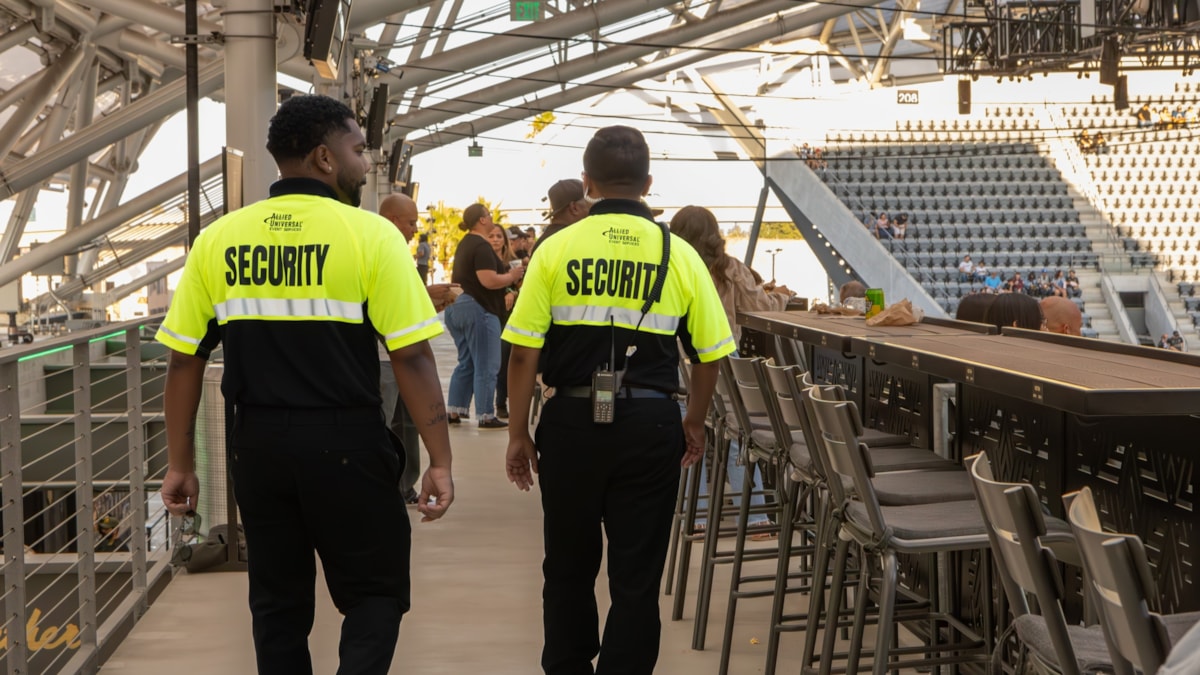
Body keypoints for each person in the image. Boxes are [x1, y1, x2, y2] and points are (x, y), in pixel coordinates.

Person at [156, 94, 454, 675]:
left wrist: (179, 462)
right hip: (346, 442)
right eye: (356, 149)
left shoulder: (220, 239)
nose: (364, 164)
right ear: (323, 157)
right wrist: (439, 458)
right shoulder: (370, 236)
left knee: (277, 603)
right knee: (374, 592)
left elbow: (184, 360)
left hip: (258, 447)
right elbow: (412, 356)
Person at [503, 125, 734, 675]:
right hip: (651, 423)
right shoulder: (678, 255)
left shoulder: (555, 249)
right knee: (637, 573)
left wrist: (518, 433)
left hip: (570, 424)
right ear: (648, 183)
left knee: (567, 566)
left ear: (587, 184)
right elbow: (709, 357)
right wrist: (694, 422)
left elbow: (522, 354)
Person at [669, 205, 792, 534]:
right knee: (737, 435)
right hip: (723, 359)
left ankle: (694, 516)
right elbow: (760, 307)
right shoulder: (730, 268)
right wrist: (781, 296)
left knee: (685, 434)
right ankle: (754, 518)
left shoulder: (670, 264)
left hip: (678, 359)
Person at [378, 192, 460, 504]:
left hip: (397, 356)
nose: (415, 229)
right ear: (391, 220)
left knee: (407, 425)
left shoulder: (400, 253)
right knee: (384, 423)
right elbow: (383, 308)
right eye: (411, 222)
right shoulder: (379, 250)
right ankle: (385, 487)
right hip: (386, 359)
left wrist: (426, 297)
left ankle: (404, 485)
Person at [443, 203, 525, 429]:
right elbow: (488, 280)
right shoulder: (481, 246)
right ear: (482, 220)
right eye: (488, 216)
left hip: (457, 305)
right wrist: (512, 275)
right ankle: (486, 414)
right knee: (487, 363)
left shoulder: (465, 244)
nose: (490, 218)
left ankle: (454, 409)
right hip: (478, 308)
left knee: (467, 361)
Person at [491, 224, 521, 419]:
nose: (495, 239)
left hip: (509, 316)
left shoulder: (514, 262)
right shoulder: (485, 260)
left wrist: (512, 292)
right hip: (490, 313)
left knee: (505, 359)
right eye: (491, 236)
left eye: (498, 236)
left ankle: (501, 403)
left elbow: (524, 286)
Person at [533, 178, 590, 254]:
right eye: (588, 202)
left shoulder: (543, 242)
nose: (592, 208)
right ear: (574, 208)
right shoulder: (575, 240)